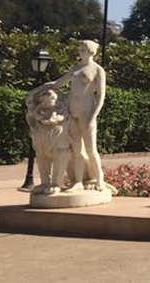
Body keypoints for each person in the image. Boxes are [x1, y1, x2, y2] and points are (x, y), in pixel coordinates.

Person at [45, 39, 107, 192]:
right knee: (77, 150)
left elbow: (101, 96)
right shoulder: (75, 68)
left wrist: (94, 116)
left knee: (91, 150)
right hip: (73, 113)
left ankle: (100, 180)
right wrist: (45, 87)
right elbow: (58, 83)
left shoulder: (98, 70)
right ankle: (78, 181)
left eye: (83, 50)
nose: (80, 52)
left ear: (91, 51)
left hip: (87, 113)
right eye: (79, 50)